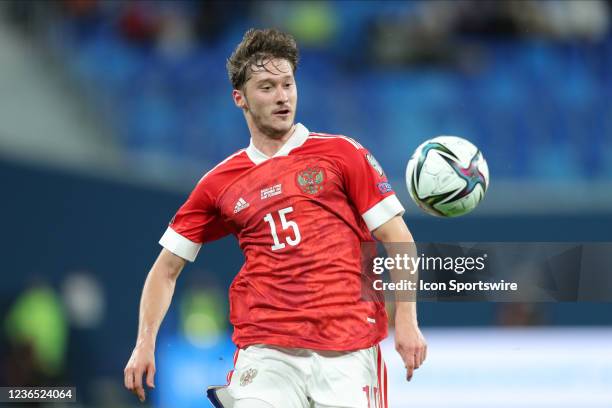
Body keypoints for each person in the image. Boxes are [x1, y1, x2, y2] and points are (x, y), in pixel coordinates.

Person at [124, 28, 427, 408]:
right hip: (268, 351)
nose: (282, 96)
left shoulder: (342, 153)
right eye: (267, 87)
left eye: (287, 84)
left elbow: (398, 237)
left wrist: (408, 320)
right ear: (240, 99)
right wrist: (144, 342)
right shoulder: (219, 184)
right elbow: (165, 270)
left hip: (349, 347)